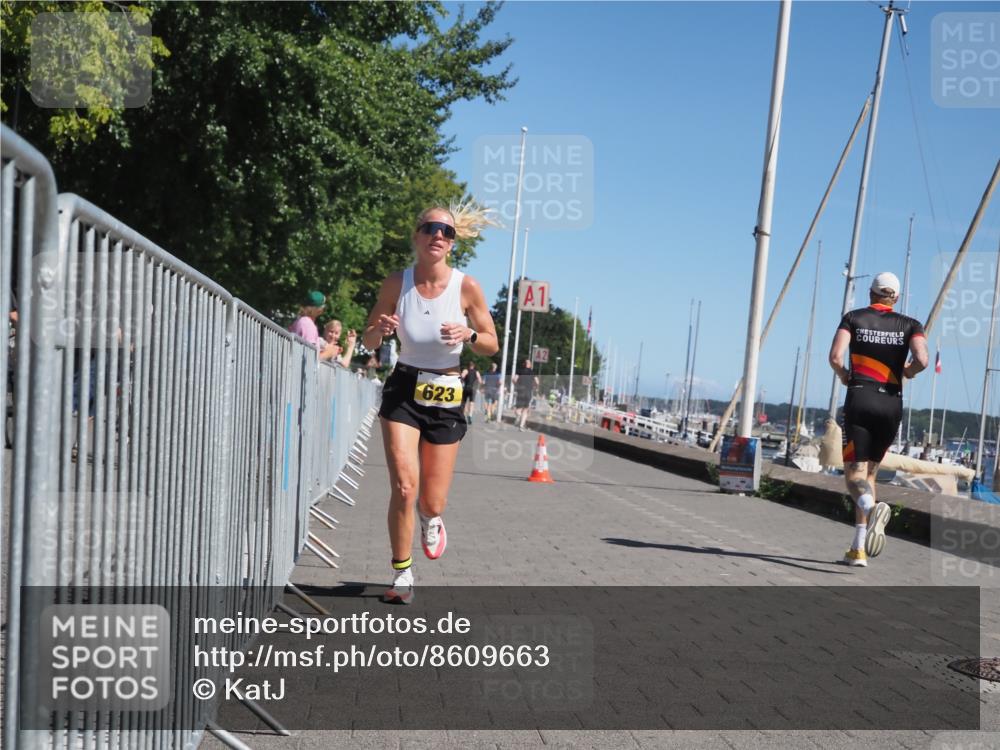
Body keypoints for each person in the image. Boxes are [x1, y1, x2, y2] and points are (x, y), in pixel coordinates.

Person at [362, 203, 499, 604]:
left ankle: (430, 517)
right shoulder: (396, 283)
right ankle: (401, 572)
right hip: (404, 388)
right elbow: (369, 340)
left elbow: (492, 344)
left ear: (452, 243)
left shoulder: (466, 287)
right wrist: (379, 330)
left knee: (431, 500)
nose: (438, 235)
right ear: (417, 236)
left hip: (447, 391)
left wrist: (469, 334)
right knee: (404, 487)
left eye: (447, 232)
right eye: (431, 228)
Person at [828, 272, 927, 567]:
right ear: (895, 298)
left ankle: (870, 507)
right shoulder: (911, 324)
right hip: (890, 403)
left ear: (871, 293)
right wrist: (906, 373)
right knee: (870, 474)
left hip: (860, 398)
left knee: (855, 476)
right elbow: (922, 359)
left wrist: (845, 375)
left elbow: (835, 356)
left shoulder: (853, 318)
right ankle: (858, 549)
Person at [289, 291, 336, 361]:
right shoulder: (308, 324)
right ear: (319, 310)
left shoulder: (301, 321)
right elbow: (310, 358)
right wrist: (329, 353)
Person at [512, 358, 538, 432]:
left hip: (520, 391)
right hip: (528, 392)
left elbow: (514, 380)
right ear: (530, 365)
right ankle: (521, 426)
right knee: (525, 410)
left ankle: (518, 417)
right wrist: (535, 387)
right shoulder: (533, 372)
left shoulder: (519, 371)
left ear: (524, 364)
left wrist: (516, 385)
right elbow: (537, 382)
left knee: (518, 409)